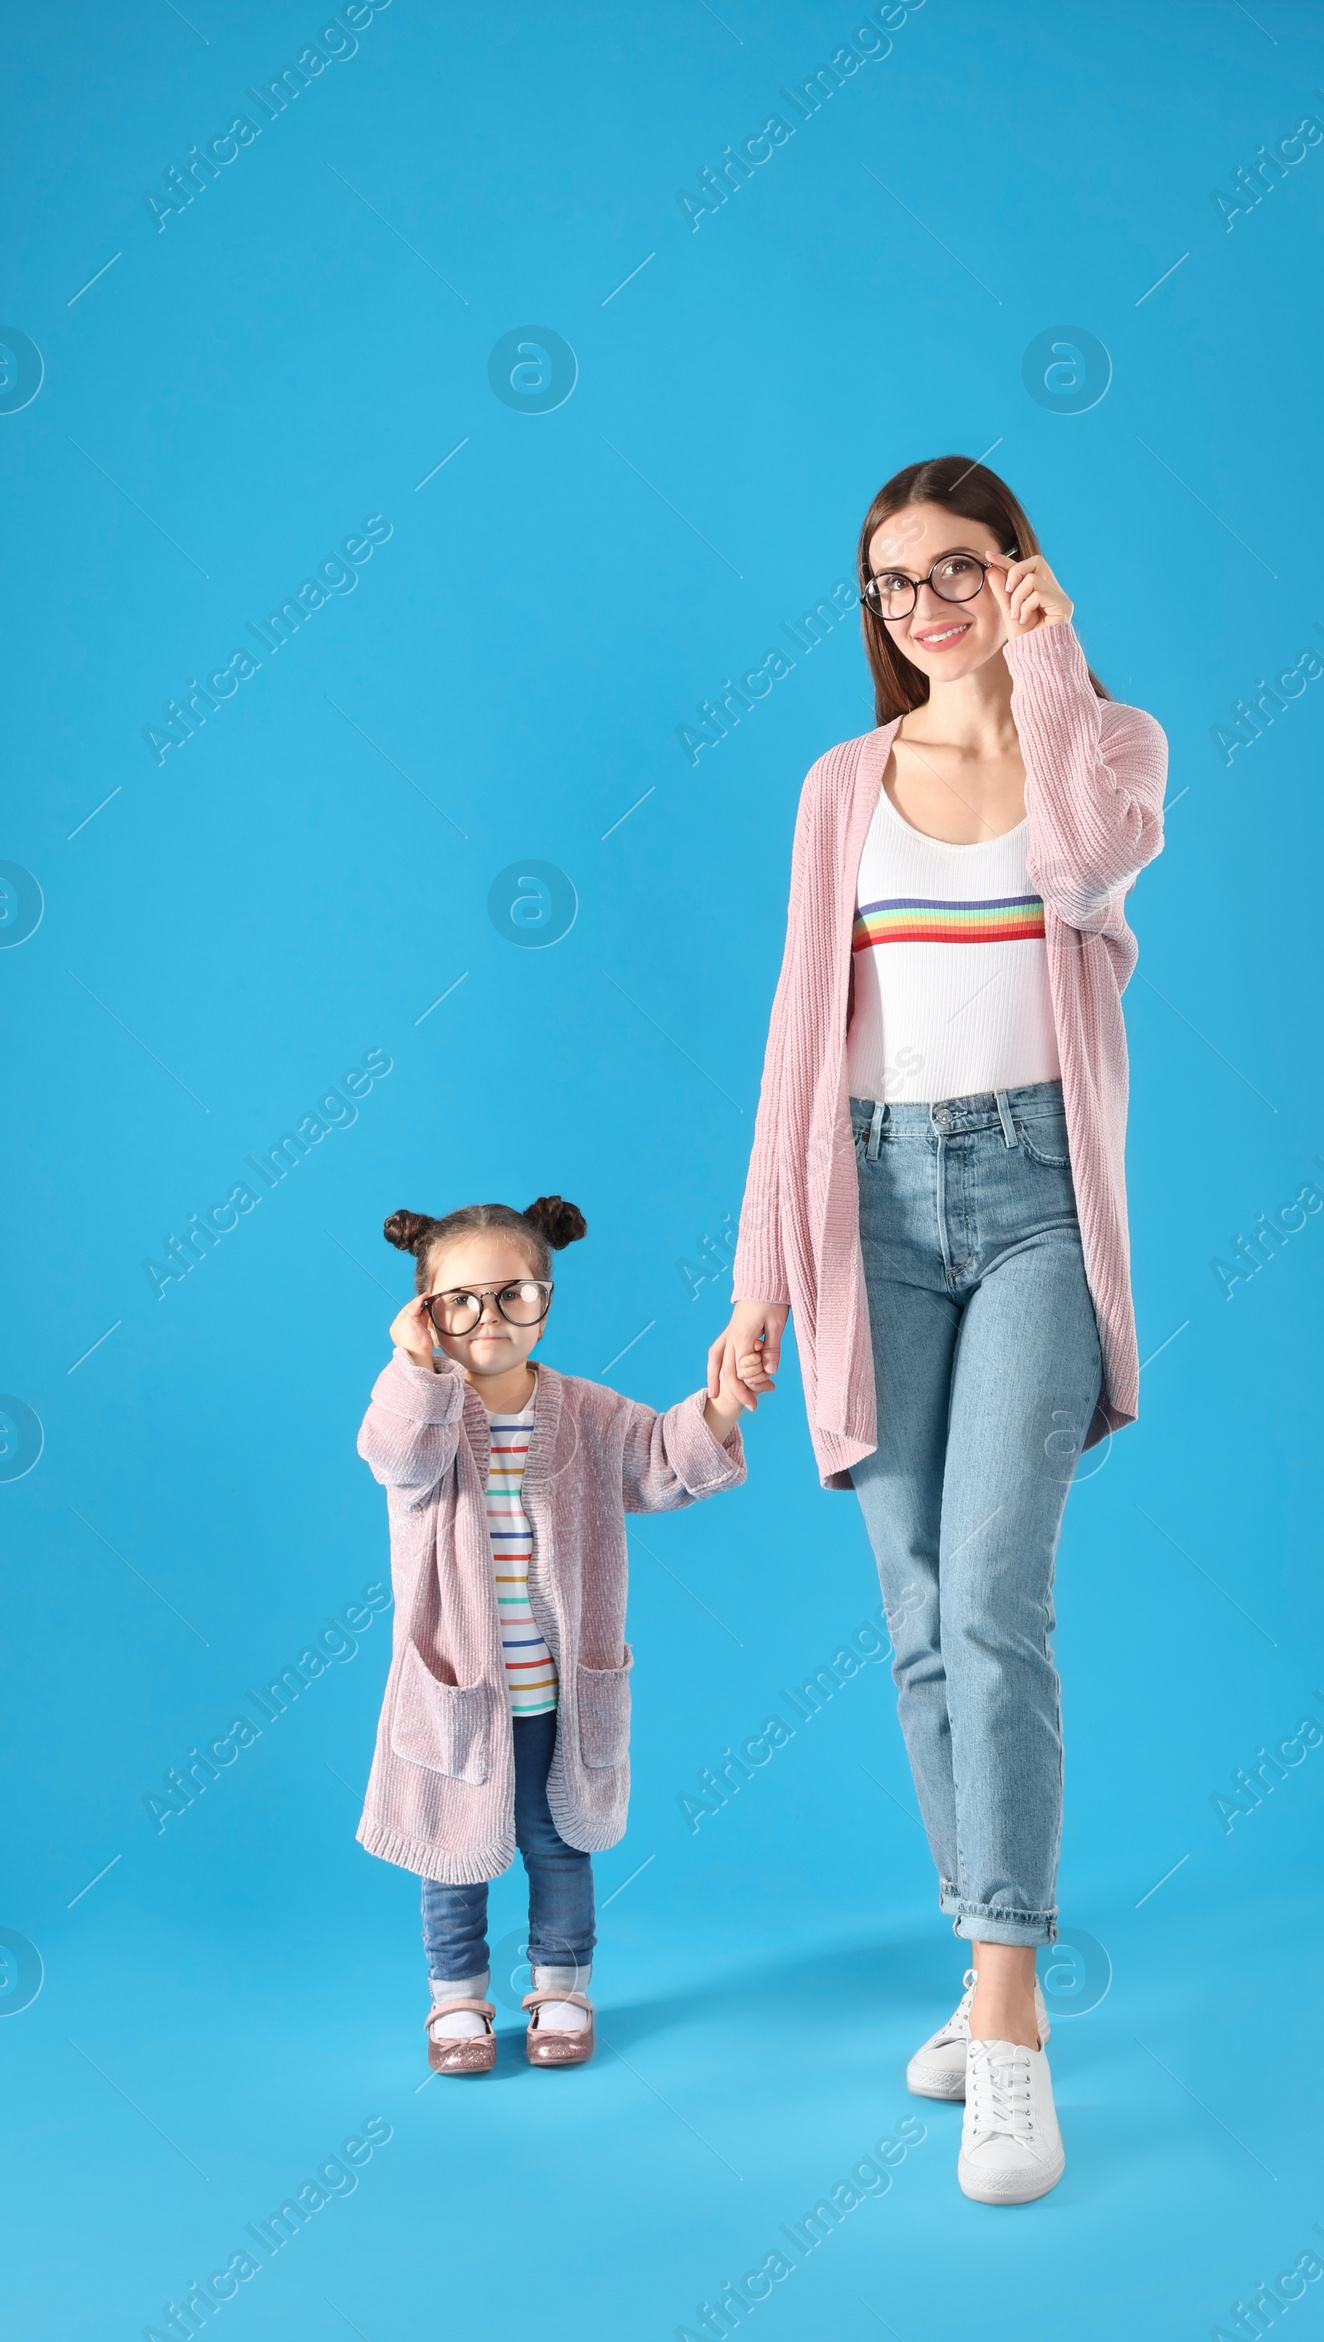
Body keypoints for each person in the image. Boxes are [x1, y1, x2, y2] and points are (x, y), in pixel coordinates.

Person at [708, 456, 1167, 2201]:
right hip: (871, 1205)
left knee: (994, 1591)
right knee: (913, 1606)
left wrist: (1051, 657)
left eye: (954, 572)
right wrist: (760, 1278)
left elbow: (1080, 856)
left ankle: (1016, 2022)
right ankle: (980, 1963)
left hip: (1043, 1201)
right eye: (893, 586)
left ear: (1018, 570)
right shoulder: (842, 788)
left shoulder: (1113, 748)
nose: (922, 610)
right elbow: (792, 1042)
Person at [357, 1195, 759, 2075]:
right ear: (425, 1313)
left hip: (557, 1692)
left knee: (559, 1843)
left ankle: (563, 1989)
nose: (487, 1319)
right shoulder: (419, 1409)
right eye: (458, 1301)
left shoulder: (585, 1411)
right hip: (457, 1691)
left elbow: (660, 1462)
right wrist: (411, 1363)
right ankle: (457, 2001)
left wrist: (721, 1407)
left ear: (546, 1298)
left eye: (513, 1295)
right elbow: (396, 1458)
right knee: (453, 1852)